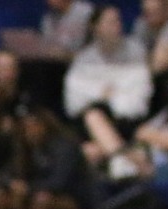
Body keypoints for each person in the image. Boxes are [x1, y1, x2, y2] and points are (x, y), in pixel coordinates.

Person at [88, 65, 168, 182]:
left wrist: (150, 136)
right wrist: (152, 136)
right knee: (90, 146)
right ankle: (117, 160)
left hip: (160, 168)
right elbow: (141, 132)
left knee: (97, 126)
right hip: (139, 153)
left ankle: (118, 159)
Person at [67, 6, 156, 161]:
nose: (117, 26)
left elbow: (141, 92)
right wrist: (103, 93)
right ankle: (121, 159)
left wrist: (111, 96)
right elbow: (75, 99)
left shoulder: (135, 51)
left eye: (118, 21)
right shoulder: (85, 59)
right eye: (110, 22)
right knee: (92, 124)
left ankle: (120, 159)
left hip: (129, 119)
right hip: (94, 120)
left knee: (93, 147)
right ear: (95, 27)